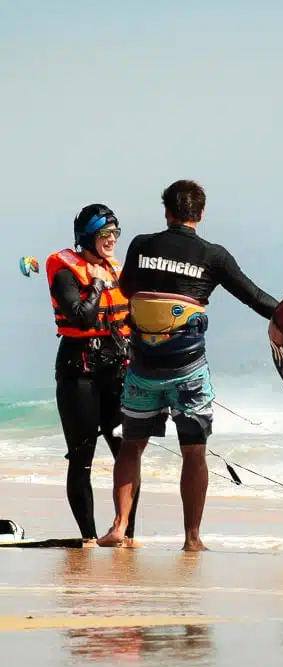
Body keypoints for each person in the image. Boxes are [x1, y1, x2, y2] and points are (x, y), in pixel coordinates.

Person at [98, 180, 278, 551]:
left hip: (143, 368)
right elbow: (255, 298)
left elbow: (129, 289)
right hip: (187, 369)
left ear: (167, 211)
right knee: (194, 451)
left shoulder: (141, 245)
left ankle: (118, 527)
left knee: (132, 447)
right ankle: (192, 539)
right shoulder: (214, 255)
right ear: (201, 213)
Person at [46, 204, 141, 547]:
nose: (112, 240)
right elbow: (81, 318)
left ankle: (125, 533)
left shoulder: (116, 270)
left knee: (126, 453)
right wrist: (98, 287)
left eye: (115, 234)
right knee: (82, 457)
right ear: (87, 237)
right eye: (104, 234)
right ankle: (87, 538)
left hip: (116, 370)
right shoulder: (65, 272)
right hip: (78, 372)